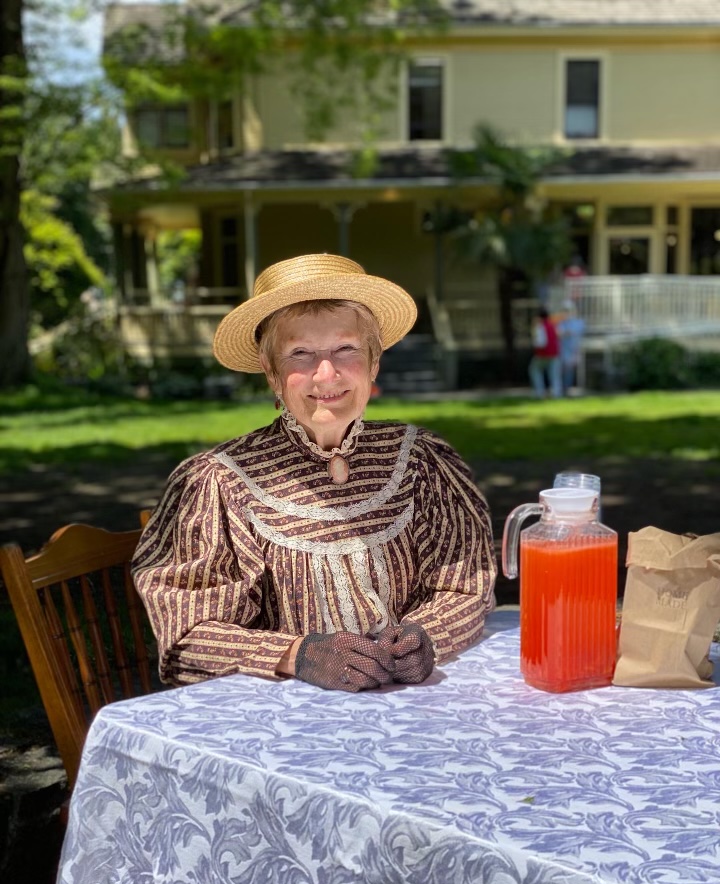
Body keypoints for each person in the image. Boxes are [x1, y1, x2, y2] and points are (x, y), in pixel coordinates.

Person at [132, 253, 497, 693]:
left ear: (374, 362)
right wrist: (297, 655)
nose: (326, 374)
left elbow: (464, 587)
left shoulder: (423, 460)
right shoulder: (220, 482)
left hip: (409, 707)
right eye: (300, 354)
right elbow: (187, 638)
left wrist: (426, 636)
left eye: (346, 349)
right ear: (271, 374)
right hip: (279, 725)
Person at [528, 307, 562, 399]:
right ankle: (556, 394)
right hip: (554, 354)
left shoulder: (539, 326)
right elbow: (557, 337)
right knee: (554, 375)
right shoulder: (552, 325)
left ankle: (539, 392)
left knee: (534, 371)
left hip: (542, 354)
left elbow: (540, 342)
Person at [556, 299, 586, 395]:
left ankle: (567, 389)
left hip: (574, 350)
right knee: (561, 371)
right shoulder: (561, 323)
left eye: (568, 310)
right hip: (562, 350)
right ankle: (562, 389)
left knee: (570, 371)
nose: (566, 313)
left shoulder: (579, 322)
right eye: (565, 310)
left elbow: (577, 332)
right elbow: (559, 334)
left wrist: (567, 333)